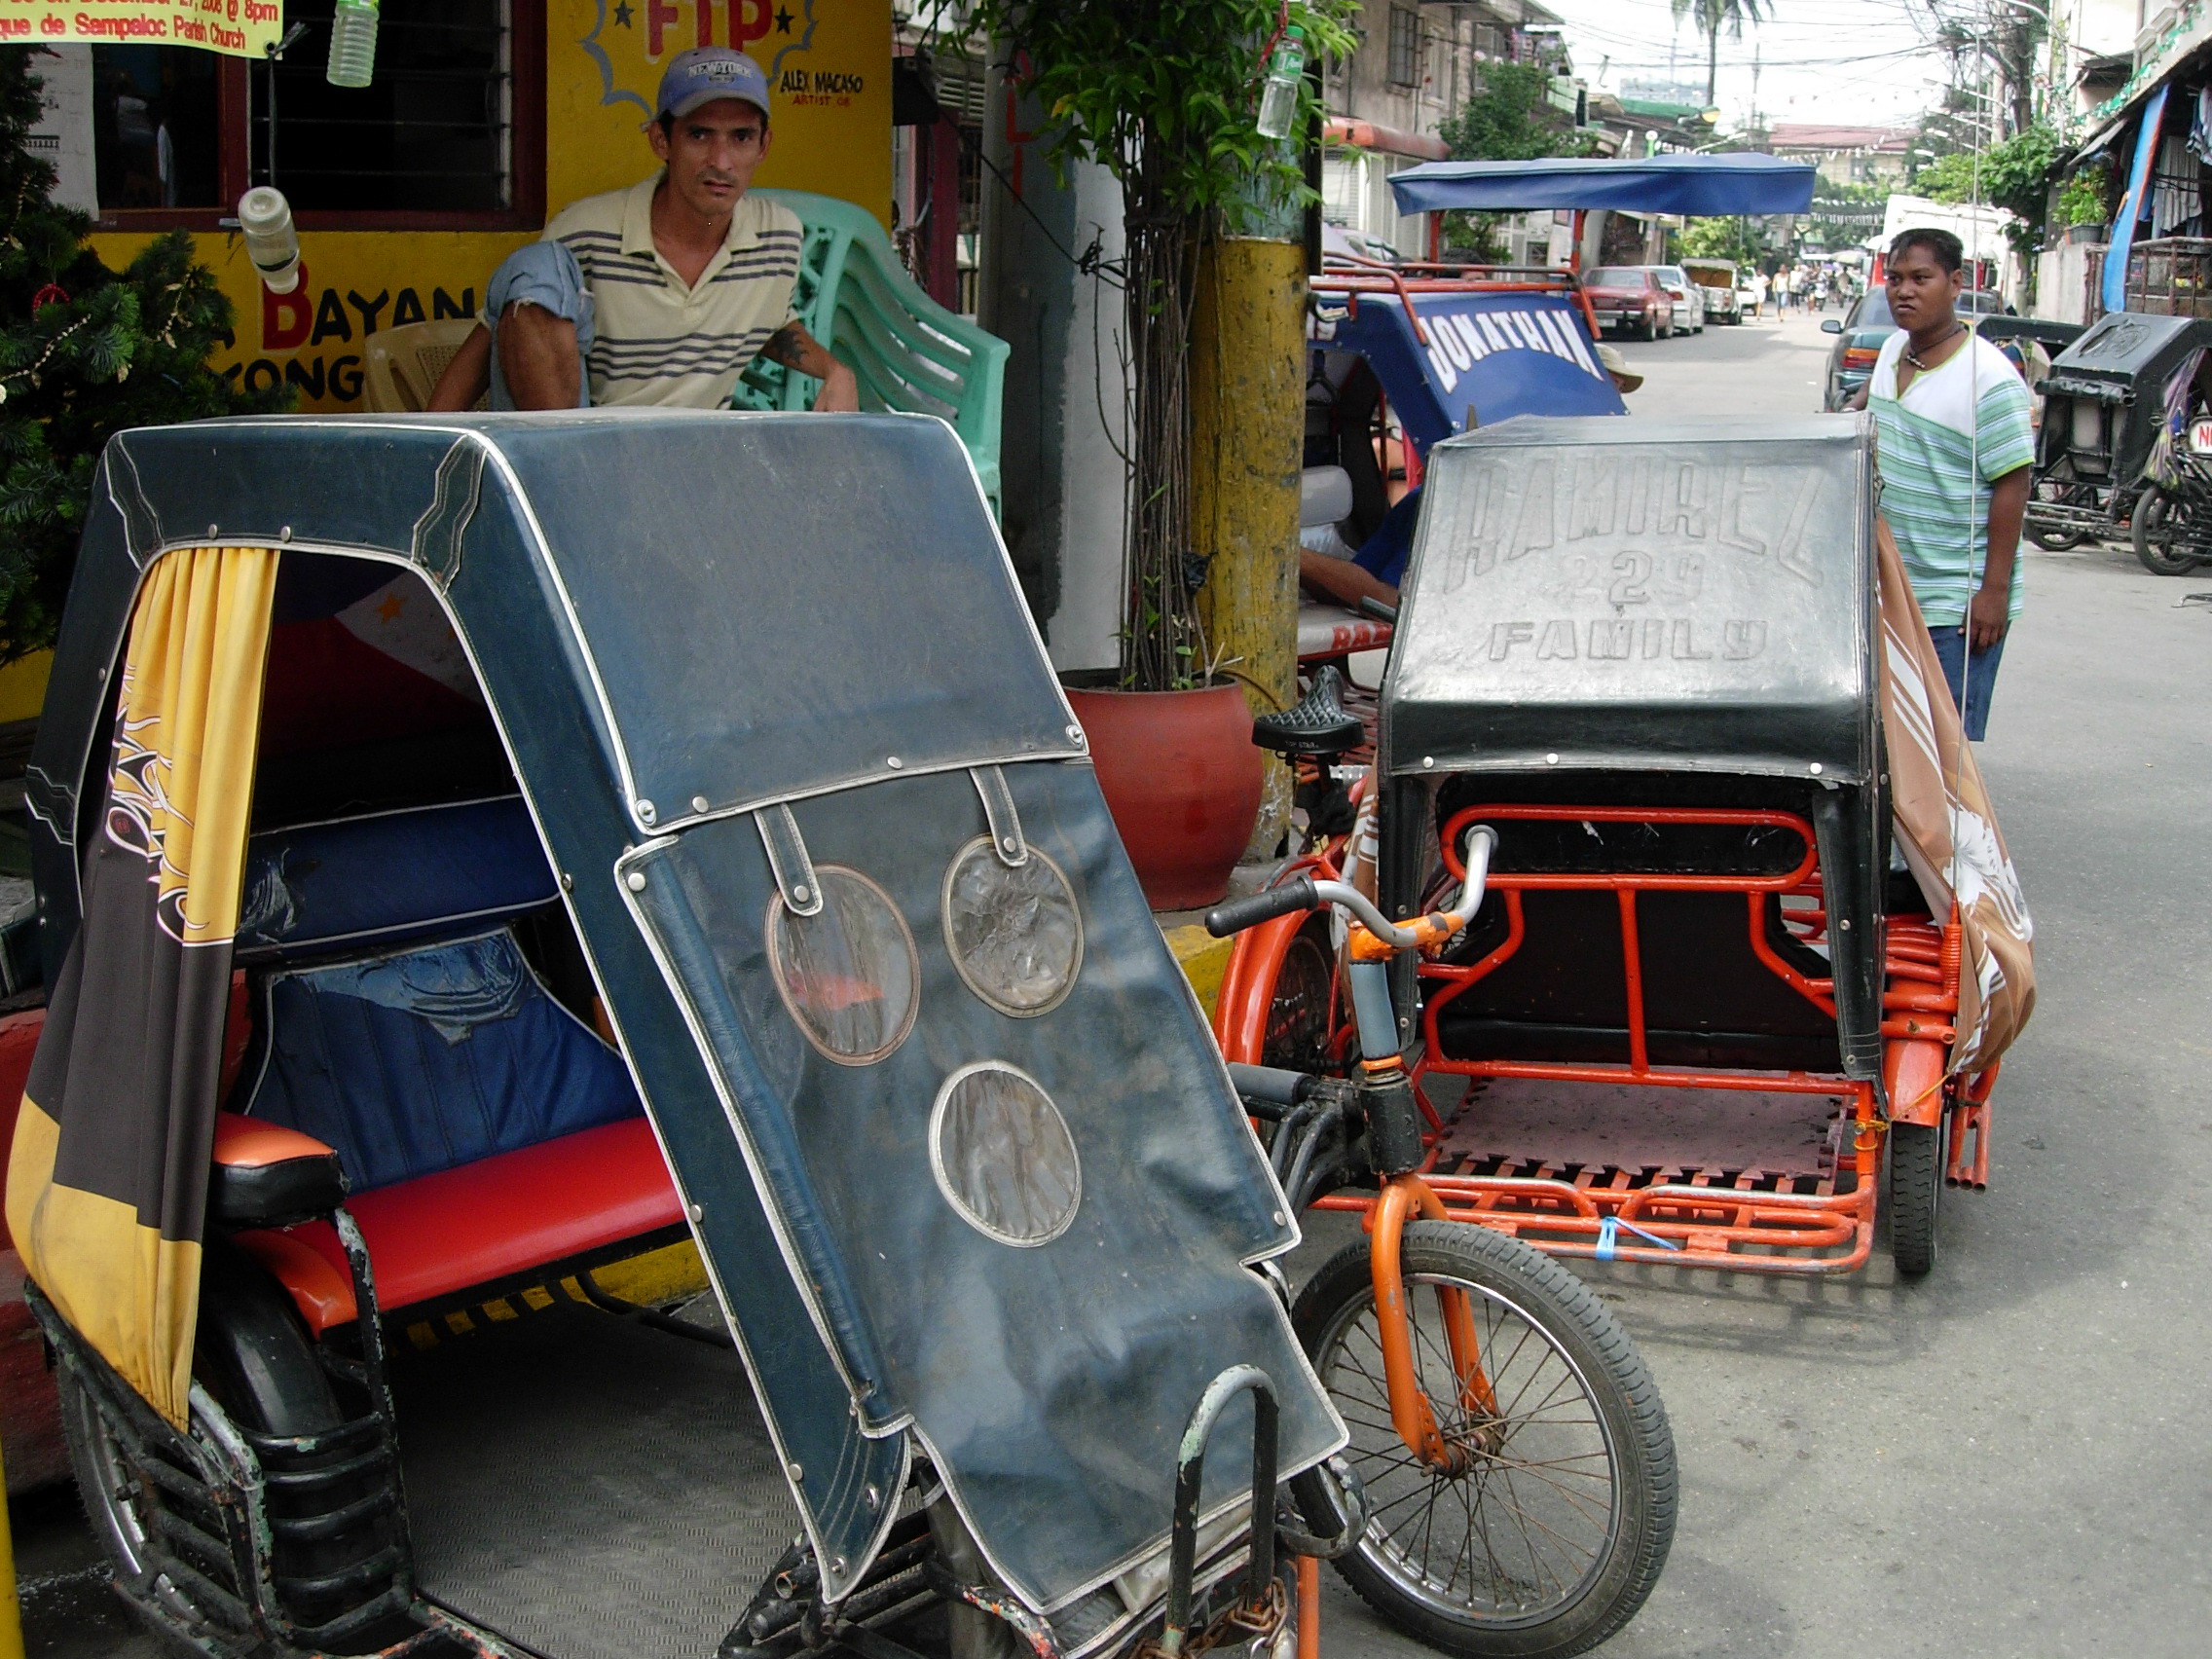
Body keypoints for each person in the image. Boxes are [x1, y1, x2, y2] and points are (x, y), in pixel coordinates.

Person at [429, 47, 857, 414]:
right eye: (699, 134)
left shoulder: (778, 237)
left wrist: (834, 370)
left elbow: (769, 322)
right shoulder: (585, 232)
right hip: (577, 444)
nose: (721, 162)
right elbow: (497, 336)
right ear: (661, 141)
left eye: (741, 137)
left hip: (690, 465)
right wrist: (424, 452)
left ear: (763, 146)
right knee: (535, 267)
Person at [1850, 227, 2033, 739]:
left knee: (1944, 750)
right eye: (1896, 279)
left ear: (1955, 283)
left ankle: (1949, 824)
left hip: (1954, 601)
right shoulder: (1891, 352)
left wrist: (1992, 592)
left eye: (1921, 278)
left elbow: (2014, 486)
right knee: (1889, 744)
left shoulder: (1989, 378)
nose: (1904, 291)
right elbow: (1864, 407)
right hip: (1886, 589)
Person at [1299, 344, 1644, 611]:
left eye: (1615, 393)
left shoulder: (1584, 490)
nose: (1610, 407)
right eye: (1607, 389)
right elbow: (1382, 595)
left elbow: (1387, 599)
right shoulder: (1461, 495)